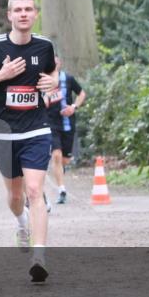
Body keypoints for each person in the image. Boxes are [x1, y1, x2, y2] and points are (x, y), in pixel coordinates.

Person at [0, 0, 57, 284]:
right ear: (9, 15)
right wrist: (1, 75)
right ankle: (21, 223)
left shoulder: (44, 46)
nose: (23, 14)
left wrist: (53, 82)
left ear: (35, 14)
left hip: (36, 128)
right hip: (3, 131)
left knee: (34, 191)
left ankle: (39, 257)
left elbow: (52, 73)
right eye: (17, 10)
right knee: (16, 196)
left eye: (28, 9)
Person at [44, 57, 85, 204]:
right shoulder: (43, 80)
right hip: (50, 123)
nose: (53, 65)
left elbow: (82, 94)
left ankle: (60, 169)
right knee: (56, 156)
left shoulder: (68, 79)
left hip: (67, 123)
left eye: (55, 62)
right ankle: (62, 190)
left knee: (65, 160)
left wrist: (73, 107)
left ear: (60, 63)